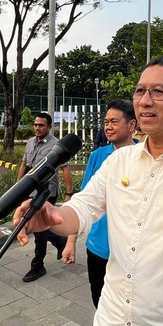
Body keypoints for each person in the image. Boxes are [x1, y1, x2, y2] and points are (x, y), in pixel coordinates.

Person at [14, 57, 163, 326]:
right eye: (140, 91)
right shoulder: (119, 160)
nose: (144, 101)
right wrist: (51, 215)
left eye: (158, 92)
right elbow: (84, 207)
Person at [62, 99, 137, 307]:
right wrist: (70, 242)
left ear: (131, 125)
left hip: (132, 249)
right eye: (106, 122)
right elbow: (83, 201)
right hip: (98, 246)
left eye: (114, 122)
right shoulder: (98, 156)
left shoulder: (145, 156)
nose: (108, 127)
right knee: (99, 299)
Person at [19, 112, 73, 283]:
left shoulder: (56, 145)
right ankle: (59, 240)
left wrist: (69, 192)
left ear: (49, 127)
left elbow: (65, 169)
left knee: (40, 232)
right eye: (35, 124)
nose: (37, 128)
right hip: (31, 191)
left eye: (41, 125)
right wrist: (18, 186)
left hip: (47, 192)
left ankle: (38, 266)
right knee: (40, 227)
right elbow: (24, 164)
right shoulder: (29, 142)